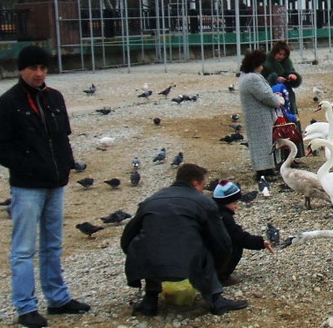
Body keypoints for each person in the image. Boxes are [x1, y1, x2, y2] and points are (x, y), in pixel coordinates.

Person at [0, 45, 90, 328]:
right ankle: (26, 307)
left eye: (43, 68)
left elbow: (62, 136)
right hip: (27, 186)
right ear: (21, 70)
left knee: (53, 244)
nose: (39, 73)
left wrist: (66, 163)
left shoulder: (54, 98)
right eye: (33, 68)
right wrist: (27, 164)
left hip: (55, 183)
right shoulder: (8, 103)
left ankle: (57, 298)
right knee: (23, 249)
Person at [120, 163, 248, 317]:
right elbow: (223, 243)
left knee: (151, 245)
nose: (203, 190)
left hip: (148, 268)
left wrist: (137, 258)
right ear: (195, 183)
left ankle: (149, 301)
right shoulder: (204, 203)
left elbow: (127, 238)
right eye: (203, 185)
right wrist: (219, 269)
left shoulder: (151, 200)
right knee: (205, 246)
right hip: (187, 267)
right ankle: (216, 299)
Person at [212, 180, 275, 286]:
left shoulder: (212, 210)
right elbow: (238, 237)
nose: (236, 206)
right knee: (236, 246)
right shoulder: (224, 217)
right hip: (213, 252)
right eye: (234, 203)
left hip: (203, 251)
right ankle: (221, 275)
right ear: (224, 202)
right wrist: (260, 242)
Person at [238, 49, 284, 180]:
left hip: (255, 116)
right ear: (256, 64)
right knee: (263, 143)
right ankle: (263, 171)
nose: (263, 67)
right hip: (259, 116)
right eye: (261, 64)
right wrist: (278, 101)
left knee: (261, 142)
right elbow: (265, 96)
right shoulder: (252, 78)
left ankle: (266, 169)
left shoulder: (245, 76)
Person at [262, 40, 302, 118]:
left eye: (284, 55)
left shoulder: (287, 63)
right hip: (273, 95)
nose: (281, 57)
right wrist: (275, 79)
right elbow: (262, 80)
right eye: (279, 54)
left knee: (291, 117)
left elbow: (292, 72)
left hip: (287, 94)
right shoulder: (265, 62)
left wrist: (293, 77)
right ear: (274, 52)